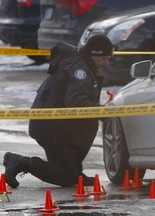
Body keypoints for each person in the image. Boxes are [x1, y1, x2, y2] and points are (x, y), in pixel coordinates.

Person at [3, 34, 114, 188]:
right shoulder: (79, 71)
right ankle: (21, 162)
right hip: (52, 128)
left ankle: (75, 172)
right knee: (66, 178)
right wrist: (103, 112)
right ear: (93, 54)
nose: (106, 62)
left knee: (71, 169)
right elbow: (76, 102)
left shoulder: (83, 65)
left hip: (58, 126)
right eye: (104, 58)